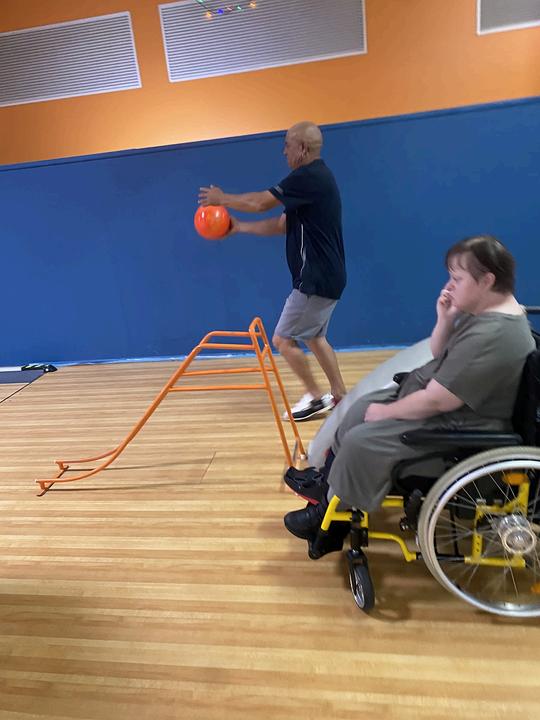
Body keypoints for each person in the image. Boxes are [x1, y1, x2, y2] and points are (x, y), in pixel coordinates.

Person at [283, 235, 535, 550]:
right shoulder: (486, 313)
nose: (449, 286)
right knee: (360, 409)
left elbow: (439, 399)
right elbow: (440, 353)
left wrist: (387, 412)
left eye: (457, 278)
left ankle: (328, 523)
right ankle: (328, 486)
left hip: (461, 429)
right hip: (446, 409)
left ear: (487, 280)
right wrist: (445, 319)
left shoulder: (494, 334)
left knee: (362, 440)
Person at [198, 121, 347, 421]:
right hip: (329, 276)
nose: (284, 151)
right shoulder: (316, 180)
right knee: (314, 337)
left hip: (314, 278)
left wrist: (222, 199)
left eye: (287, 145)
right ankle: (340, 394)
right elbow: (281, 225)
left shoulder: (308, 176)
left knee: (282, 339)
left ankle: (314, 397)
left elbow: (260, 203)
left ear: (302, 148)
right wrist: (239, 228)